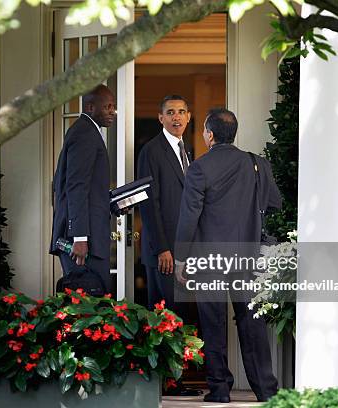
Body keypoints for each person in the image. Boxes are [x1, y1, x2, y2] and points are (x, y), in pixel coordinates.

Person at [174, 108, 281, 403]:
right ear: (234, 133)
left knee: (213, 323)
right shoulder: (258, 164)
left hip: (210, 259)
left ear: (209, 135)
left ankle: (220, 390)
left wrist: (181, 258)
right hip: (247, 256)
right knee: (252, 322)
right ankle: (265, 389)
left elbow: (189, 216)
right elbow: (274, 204)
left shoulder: (198, 168)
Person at [137, 95, 199, 397]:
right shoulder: (152, 151)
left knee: (176, 316)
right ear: (160, 117)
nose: (177, 117)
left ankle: (169, 382)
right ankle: (168, 383)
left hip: (181, 251)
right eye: (170, 112)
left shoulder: (185, 151)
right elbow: (149, 204)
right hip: (164, 252)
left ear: (189, 117)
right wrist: (163, 248)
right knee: (167, 318)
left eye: (182, 112)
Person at [49, 84, 116, 296]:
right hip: (82, 245)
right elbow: (76, 186)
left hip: (89, 238)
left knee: (95, 313)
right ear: (90, 107)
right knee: (88, 313)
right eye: (107, 107)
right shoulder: (85, 133)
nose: (112, 112)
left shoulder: (87, 131)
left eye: (113, 107)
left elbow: (89, 189)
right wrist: (79, 237)